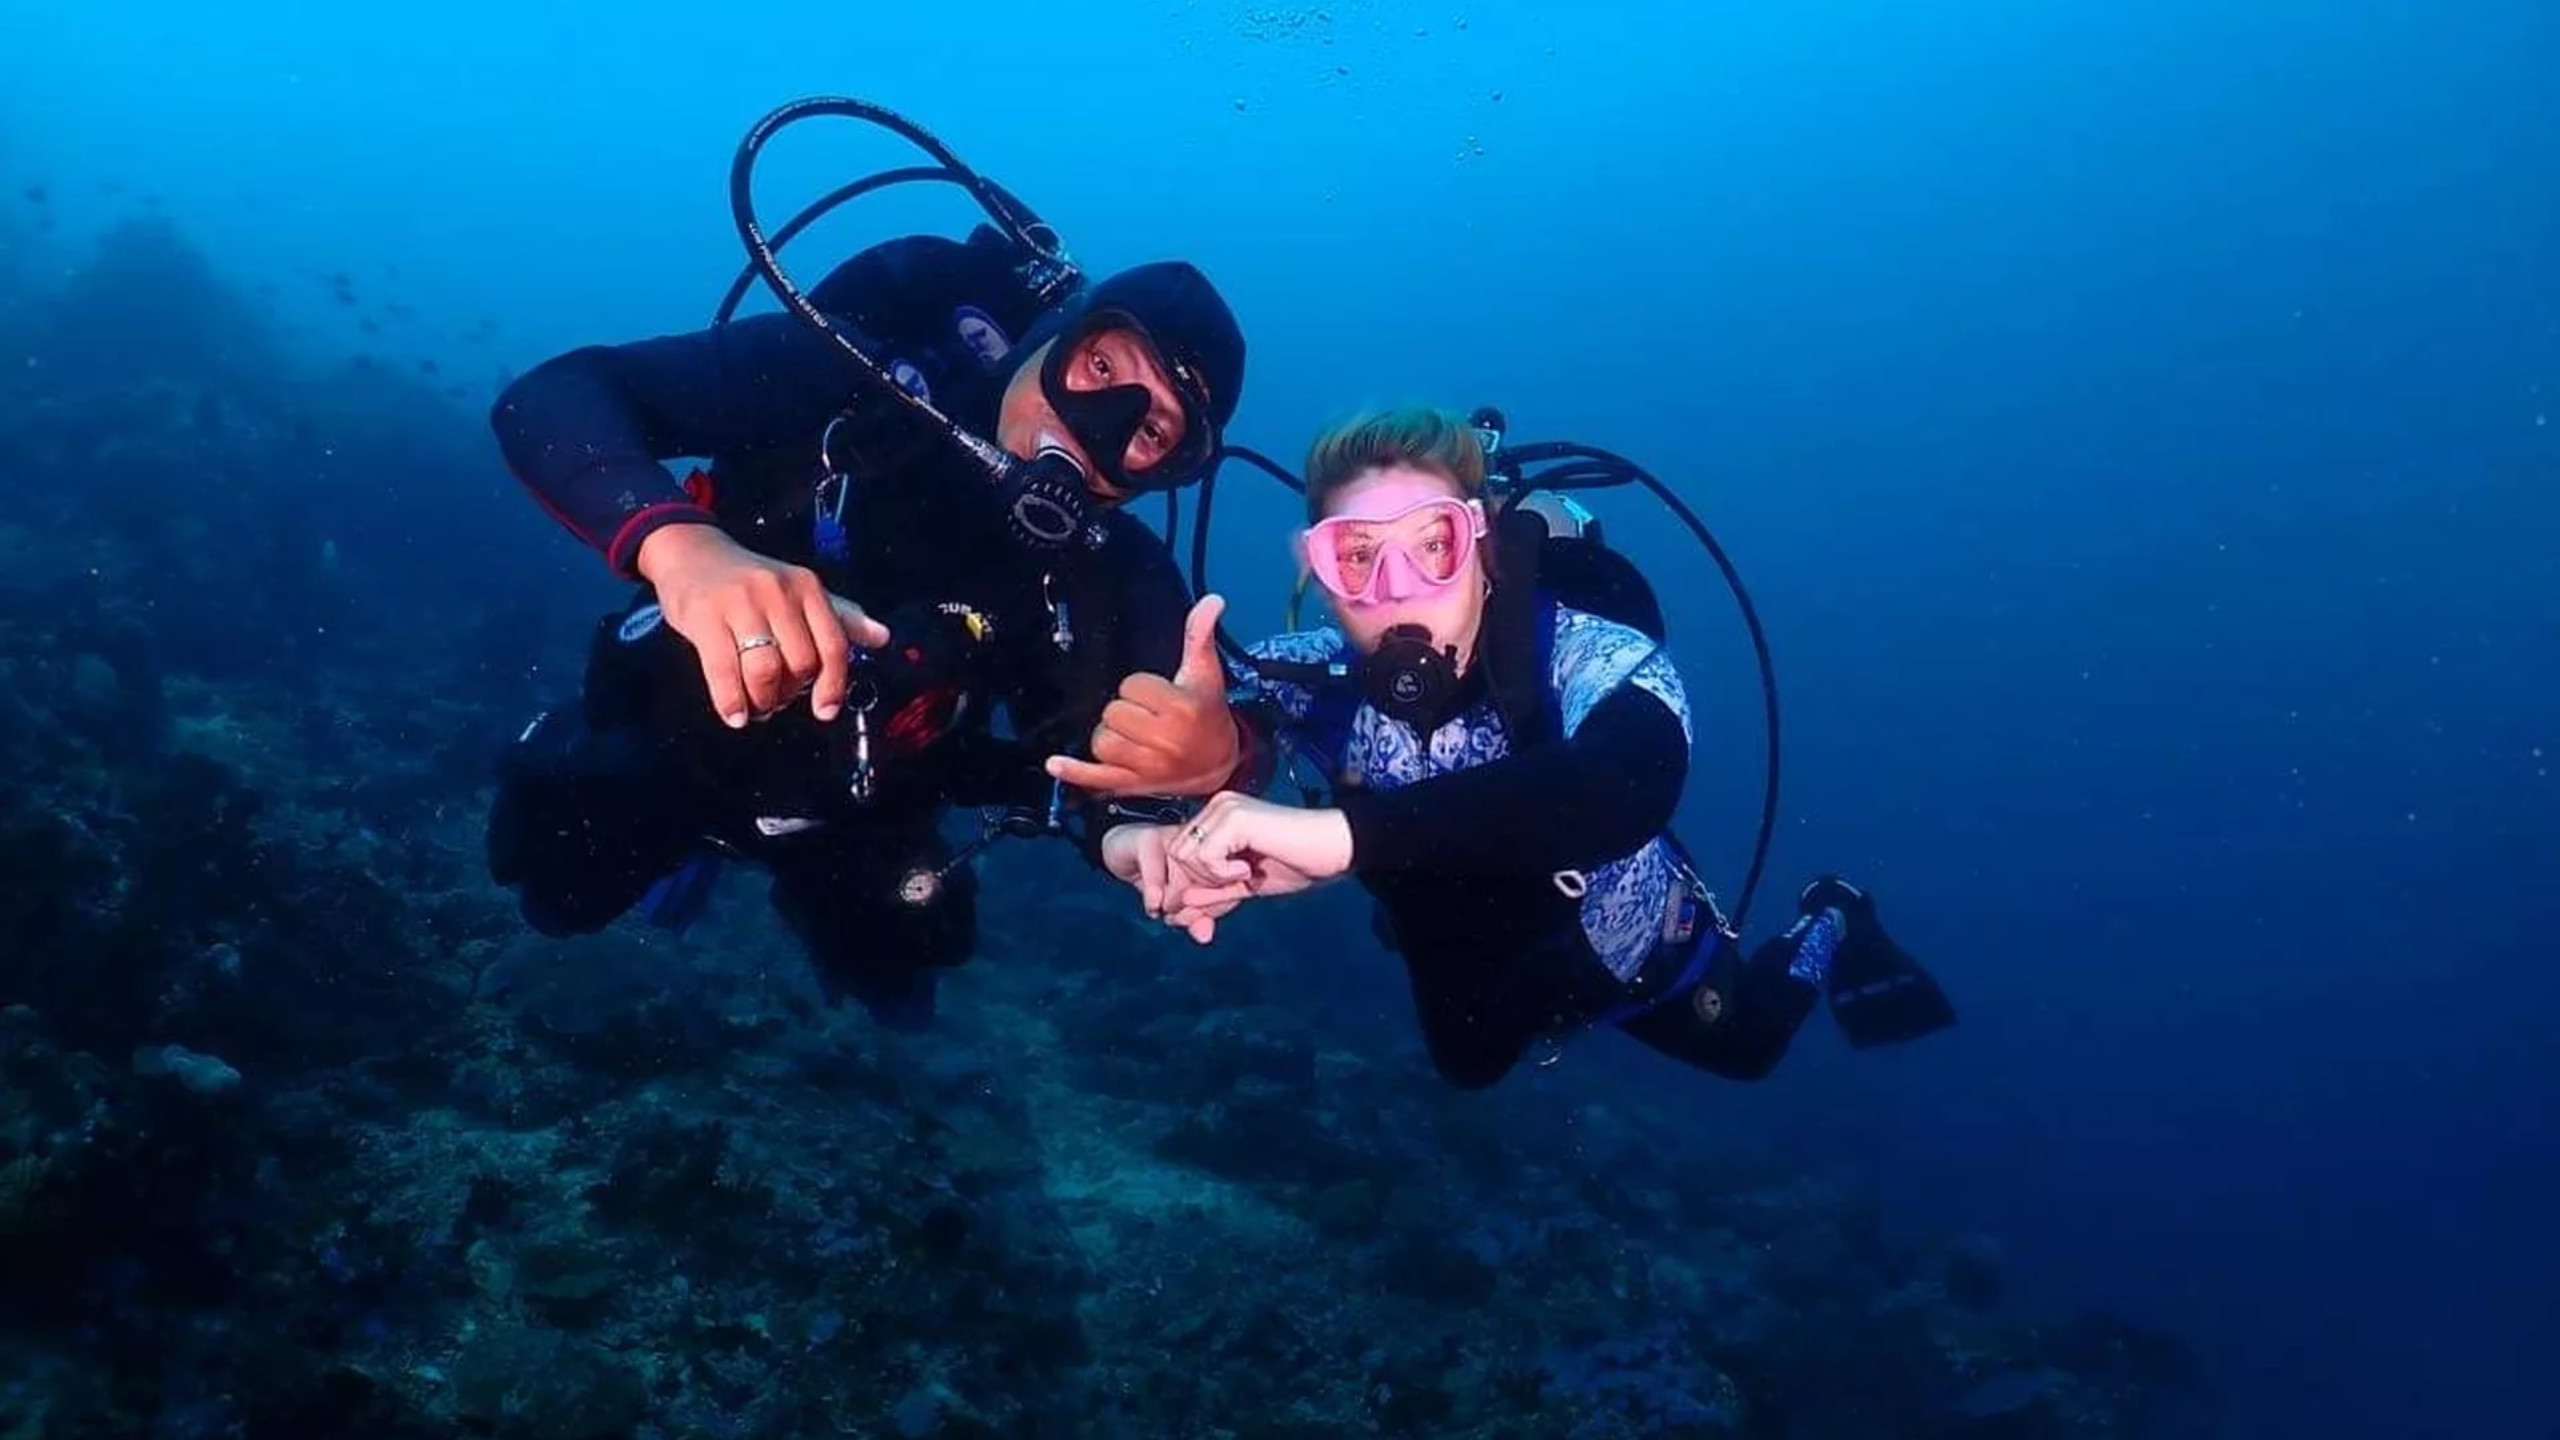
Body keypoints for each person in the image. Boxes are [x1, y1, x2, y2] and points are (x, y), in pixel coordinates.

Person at [482, 220, 1258, 1029]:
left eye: (1153, 431)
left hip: (865, 811)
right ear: (1056, 334)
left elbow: (1166, 749)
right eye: (1101, 367)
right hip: (672, 730)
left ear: (1169, 473)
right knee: (547, 885)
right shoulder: (852, 378)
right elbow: (554, 398)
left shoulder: (1115, 575)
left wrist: (1196, 776)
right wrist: (682, 547)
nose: (1102, 426)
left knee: (910, 973)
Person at [1097, 406, 1955, 1089]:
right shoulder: (1306, 675)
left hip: (1640, 960)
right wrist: (1151, 812)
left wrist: (1341, 838)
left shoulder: (1588, 652)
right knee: (1468, 1069)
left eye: (1434, 545)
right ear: (1317, 576)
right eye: (1355, 556)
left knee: (1749, 1047)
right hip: (1463, 954)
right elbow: (1136, 758)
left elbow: (1627, 780)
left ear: (1484, 548)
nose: (1397, 590)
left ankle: (1834, 910)